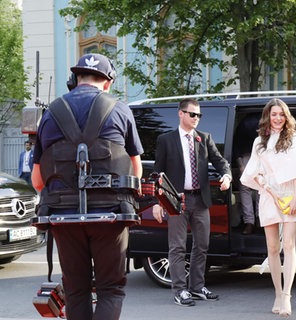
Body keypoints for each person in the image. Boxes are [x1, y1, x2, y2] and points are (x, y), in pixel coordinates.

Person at [31, 53, 144, 320]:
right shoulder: (120, 109)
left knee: (76, 289)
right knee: (110, 289)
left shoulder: (51, 114)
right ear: (107, 82)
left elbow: (37, 180)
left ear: (74, 79)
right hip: (111, 214)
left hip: (62, 215)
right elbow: (135, 171)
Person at [240, 98, 296, 317]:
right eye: (274, 114)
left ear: (286, 117)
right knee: (273, 247)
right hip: (268, 196)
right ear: (268, 116)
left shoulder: (295, 140)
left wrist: (294, 198)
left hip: (291, 196)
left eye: (281, 114)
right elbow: (252, 173)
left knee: (290, 245)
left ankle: (287, 295)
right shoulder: (259, 142)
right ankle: (277, 292)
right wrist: (270, 191)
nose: (277, 118)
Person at [151, 98, 232, 306]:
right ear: (181, 114)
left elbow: (220, 161)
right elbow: (157, 172)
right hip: (176, 200)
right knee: (177, 246)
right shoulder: (166, 140)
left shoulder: (204, 138)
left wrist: (226, 176)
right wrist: (157, 202)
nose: (196, 118)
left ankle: (196, 287)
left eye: (199, 115)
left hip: (200, 199)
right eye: (192, 114)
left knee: (202, 245)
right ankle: (180, 290)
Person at [234, 114, 261, 235]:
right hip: (246, 155)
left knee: (262, 187)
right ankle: (250, 222)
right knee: (246, 187)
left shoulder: (269, 120)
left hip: (262, 155)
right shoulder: (245, 124)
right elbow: (236, 146)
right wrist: (240, 165)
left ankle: (260, 219)